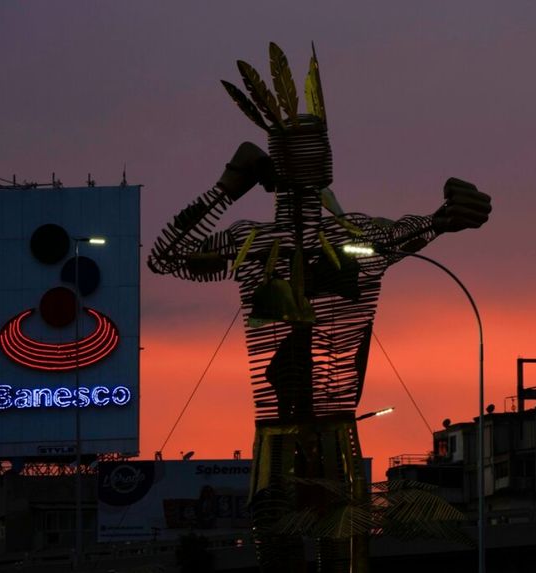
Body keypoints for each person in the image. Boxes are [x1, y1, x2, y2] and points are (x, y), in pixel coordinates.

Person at [148, 43, 491, 572]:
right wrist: (227, 186)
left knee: (338, 552)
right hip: (279, 434)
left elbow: (424, 226)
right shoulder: (257, 243)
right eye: (304, 150)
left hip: (332, 432)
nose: (312, 160)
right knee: (284, 545)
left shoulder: (354, 238)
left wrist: (448, 216)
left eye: (315, 147)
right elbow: (165, 257)